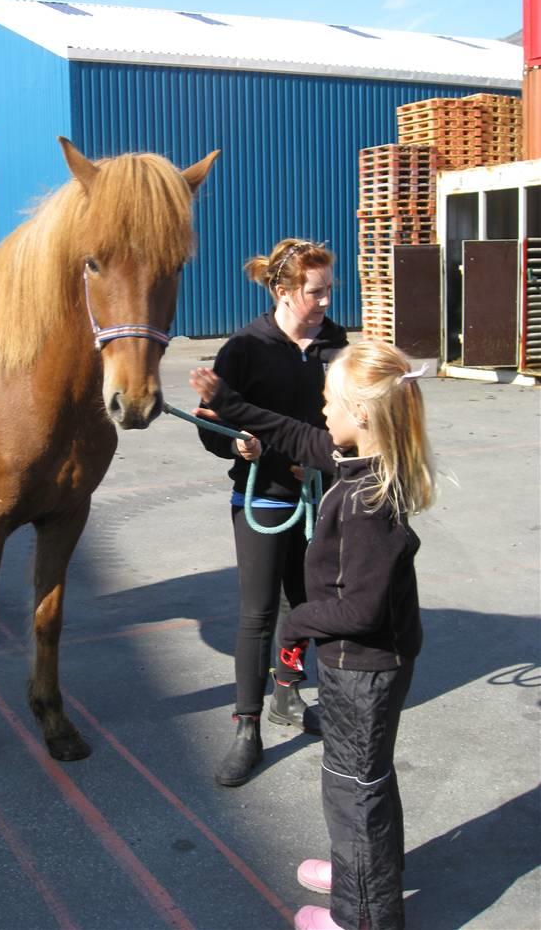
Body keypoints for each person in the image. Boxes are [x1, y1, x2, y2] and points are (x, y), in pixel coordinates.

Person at [190, 340, 435, 930]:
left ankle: (363, 915)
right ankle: (369, 870)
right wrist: (231, 403)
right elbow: (295, 436)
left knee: (351, 788)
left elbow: (361, 610)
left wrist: (296, 624)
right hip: (373, 663)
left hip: (362, 667)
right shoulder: (368, 466)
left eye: (329, 403)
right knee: (366, 777)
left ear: (364, 416)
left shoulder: (364, 502)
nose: (321, 413)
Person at [196, 239, 347, 788]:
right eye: (317, 291)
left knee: (307, 601)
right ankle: (247, 727)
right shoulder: (245, 348)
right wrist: (238, 446)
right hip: (264, 496)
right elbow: (212, 427)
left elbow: (341, 412)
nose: (328, 299)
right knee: (258, 611)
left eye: (330, 287)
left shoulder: (332, 341)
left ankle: (288, 689)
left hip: (321, 495)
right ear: (283, 292)